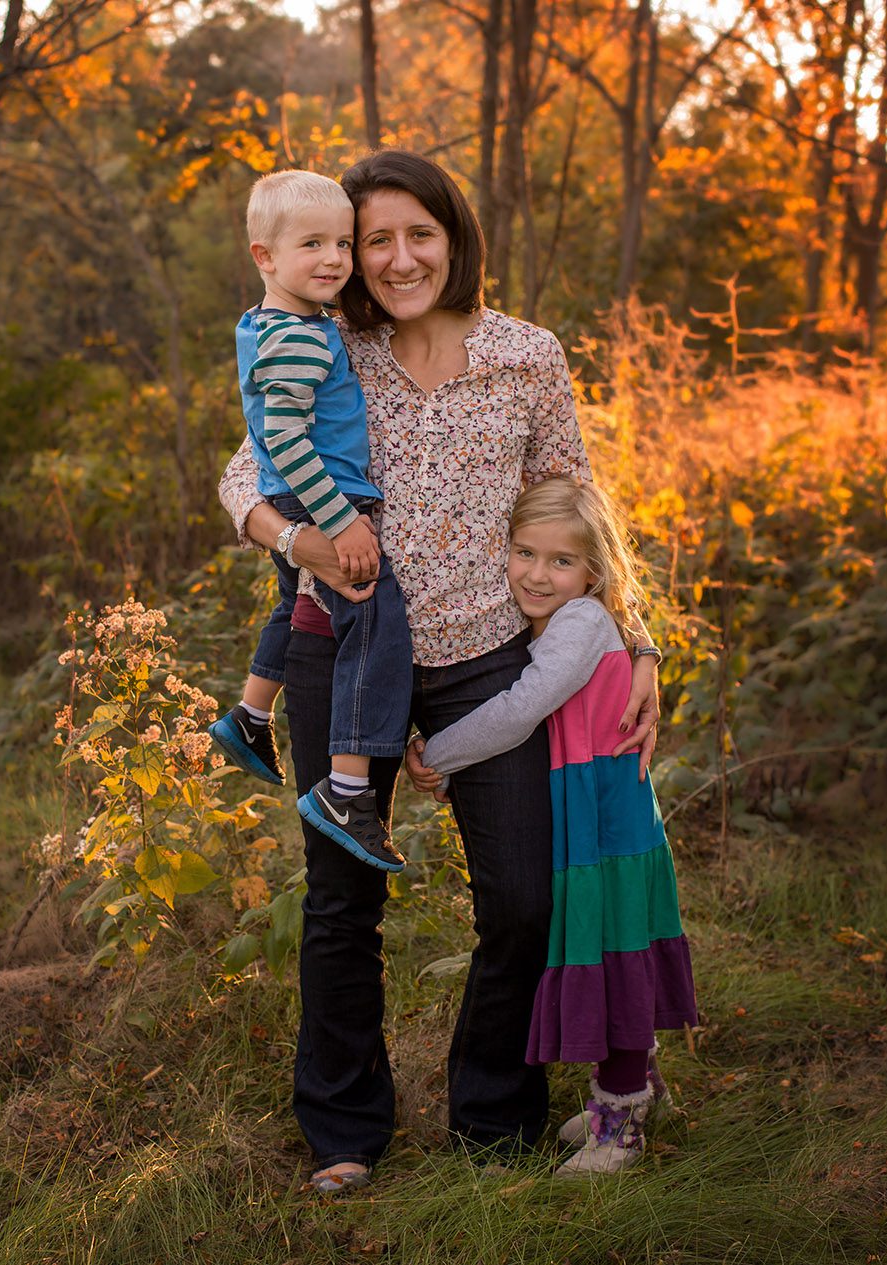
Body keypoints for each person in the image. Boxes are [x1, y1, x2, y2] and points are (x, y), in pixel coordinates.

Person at [217, 150, 661, 1194]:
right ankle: (343, 1128)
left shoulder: (526, 353)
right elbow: (245, 471)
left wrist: (633, 641)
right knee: (340, 899)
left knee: (520, 898)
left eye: (421, 233)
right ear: (349, 254)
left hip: (490, 660)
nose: (399, 256)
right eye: (376, 239)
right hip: (345, 652)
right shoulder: (330, 343)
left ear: (455, 238)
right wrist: (298, 541)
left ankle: (494, 1113)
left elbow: (574, 511)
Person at [407, 478, 698, 1176]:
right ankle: (637, 1086)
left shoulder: (580, 625)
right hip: (593, 805)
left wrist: (437, 756)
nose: (537, 573)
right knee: (606, 938)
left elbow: (520, 707)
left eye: (560, 561)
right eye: (524, 552)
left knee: (613, 945)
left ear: (593, 570)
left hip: (606, 813)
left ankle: (619, 1123)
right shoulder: (567, 618)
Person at [207, 170, 414, 873]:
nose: (335, 259)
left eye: (345, 244)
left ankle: (250, 716)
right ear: (264, 256)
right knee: (373, 619)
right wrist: (341, 523)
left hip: (295, 499)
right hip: (320, 499)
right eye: (313, 245)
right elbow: (289, 440)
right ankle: (348, 791)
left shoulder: (273, 322)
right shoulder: (299, 336)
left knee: (292, 601)